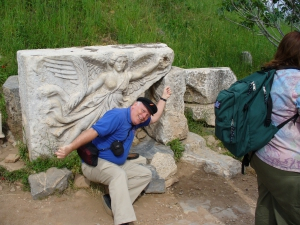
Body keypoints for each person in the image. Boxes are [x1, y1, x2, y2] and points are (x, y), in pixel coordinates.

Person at [55, 86, 172, 225]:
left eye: (146, 115)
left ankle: (112, 201)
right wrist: (70, 147)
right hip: (94, 164)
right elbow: (92, 132)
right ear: (134, 106)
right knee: (119, 175)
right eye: (142, 111)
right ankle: (123, 220)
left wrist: (164, 97)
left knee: (145, 174)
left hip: (116, 164)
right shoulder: (117, 116)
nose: (144, 116)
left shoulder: (136, 121)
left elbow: (154, 118)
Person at [250, 31, 300, 225]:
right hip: (288, 166)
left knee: (267, 207)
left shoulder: (266, 75)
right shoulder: (298, 82)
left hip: (261, 155)